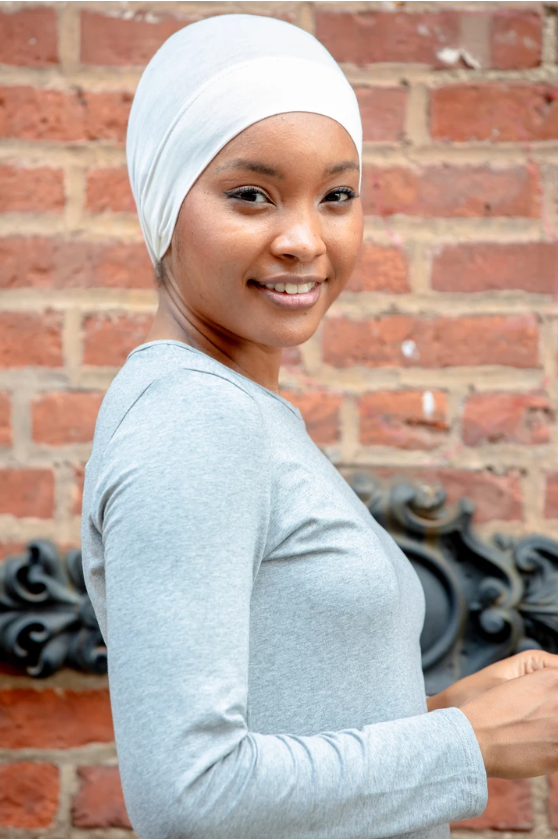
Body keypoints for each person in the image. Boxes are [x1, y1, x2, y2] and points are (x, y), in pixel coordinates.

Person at [81, 13, 558, 839]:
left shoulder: (239, 410)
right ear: (163, 200)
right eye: (251, 195)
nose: (304, 239)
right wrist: (468, 742)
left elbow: (287, 726)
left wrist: (435, 710)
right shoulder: (196, 419)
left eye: (336, 195)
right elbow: (190, 795)